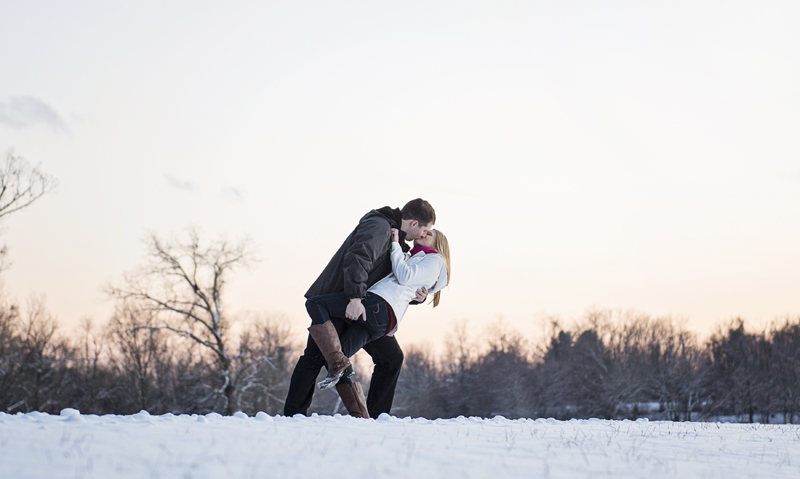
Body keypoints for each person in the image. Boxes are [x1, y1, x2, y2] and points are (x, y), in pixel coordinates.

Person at [283, 199, 436, 418]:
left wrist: (417, 298)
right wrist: (355, 297)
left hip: (367, 308)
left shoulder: (399, 245)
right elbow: (358, 258)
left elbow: (393, 286)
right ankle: (293, 415)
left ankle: (376, 417)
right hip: (340, 300)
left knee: (391, 358)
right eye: (424, 229)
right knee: (315, 357)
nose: (423, 235)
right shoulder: (379, 226)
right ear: (413, 223)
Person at [305, 228, 450, 417]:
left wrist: (395, 244)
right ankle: (366, 416)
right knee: (337, 359)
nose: (423, 234)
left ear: (439, 245)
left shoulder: (435, 259)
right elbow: (408, 283)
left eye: (429, 234)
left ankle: (363, 409)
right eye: (423, 232)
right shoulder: (416, 258)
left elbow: (405, 276)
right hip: (382, 319)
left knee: (315, 303)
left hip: (377, 305)